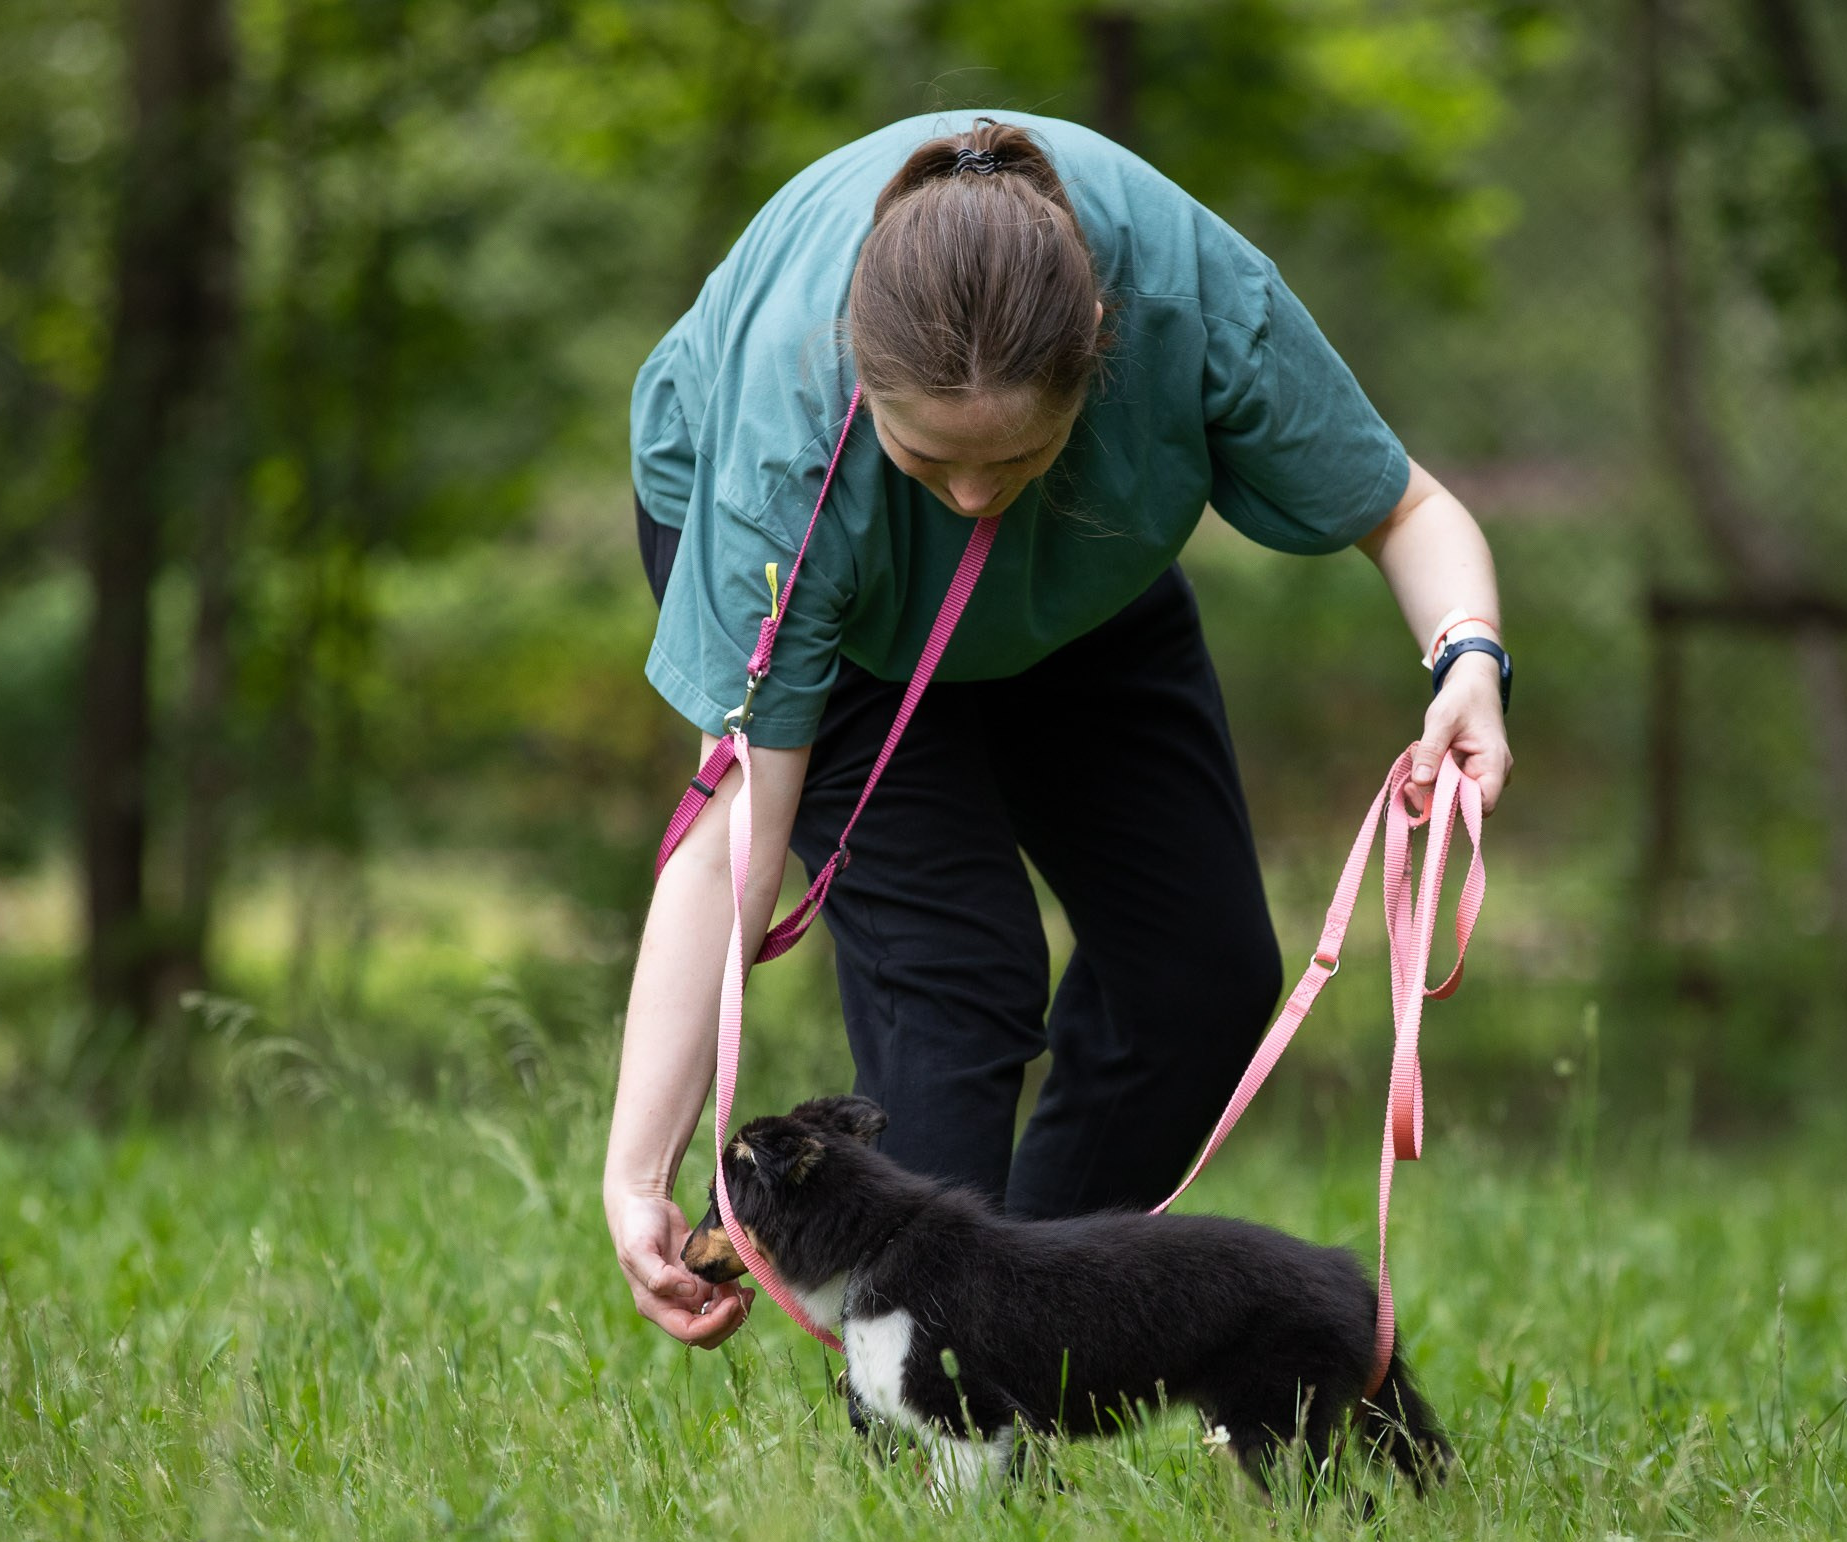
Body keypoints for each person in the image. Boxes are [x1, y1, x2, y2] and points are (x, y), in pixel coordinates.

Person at [604, 112, 1512, 1348]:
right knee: (955, 970)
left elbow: (1407, 510)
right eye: (933, 459)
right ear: (859, 376)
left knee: (1196, 973)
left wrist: (1468, 658)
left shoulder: (1197, 309)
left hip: (1082, 570)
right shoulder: (781, 455)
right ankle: (932, 1435)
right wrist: (638, 1170)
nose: (973, 495)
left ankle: (1022, 1347)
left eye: (1014, 453)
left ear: (1098, 350)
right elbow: (728, 841)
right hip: (844, 603)